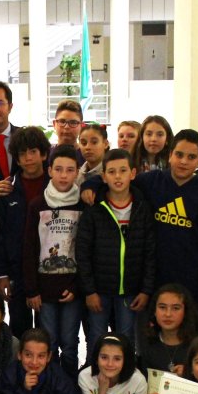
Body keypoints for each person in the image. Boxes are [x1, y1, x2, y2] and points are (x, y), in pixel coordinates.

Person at [133, 129, 198, 317]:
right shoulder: (149, 182)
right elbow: (118, 182)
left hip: (190, 290)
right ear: (170, 155)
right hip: (151, 286)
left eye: (191, 157)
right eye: (179, 155)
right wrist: (92, 186)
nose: (184, 161)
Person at [75, 148, 156, 345]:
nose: (117, 176)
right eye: (111, 172)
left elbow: (150, 253)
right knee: (96, 338)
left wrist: (145, 290)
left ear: (133, 174)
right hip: (99, 290)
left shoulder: (142, 208)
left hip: (131, 290)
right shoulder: (94, 210)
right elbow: (83, 252)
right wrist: (89, 291)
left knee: (126, 339)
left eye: (123, 171)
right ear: (103, 177)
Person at [22, 143, 86, 376]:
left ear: (77, 172)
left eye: (70, 170)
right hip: (43, 290)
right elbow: (29, 249)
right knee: (47, 343)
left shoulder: (83, 205)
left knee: (69, 344)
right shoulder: (37, 205)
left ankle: (68, 387)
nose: (63, 175)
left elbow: (87, 250)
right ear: (49, 170)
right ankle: (48, 386)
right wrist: (31, 290)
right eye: (58, 169)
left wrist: (77, 287)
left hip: (72, 289)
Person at [0, 126, 50, 337]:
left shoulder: (56, 188)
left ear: (44, 154)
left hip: (48, 270)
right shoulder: (7, 190)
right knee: (18, 328)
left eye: (33, 151)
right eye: (22, 153)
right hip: (16, 271)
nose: (28, 158)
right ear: (16, 158)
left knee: (47, 330)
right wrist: (2, 274)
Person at [137, 283, 198, 376]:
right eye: (162, 307)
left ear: (186, 311)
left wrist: (191, 374)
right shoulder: (147, 341)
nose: (168, 314)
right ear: (154, 311)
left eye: (176, 308)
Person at [75, 120, 106, 186]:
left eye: (94, 142)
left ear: (105, 144)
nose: (88, 147)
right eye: (84, 143)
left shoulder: (111, 173)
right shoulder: (77, 175)